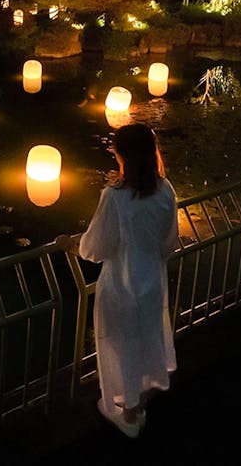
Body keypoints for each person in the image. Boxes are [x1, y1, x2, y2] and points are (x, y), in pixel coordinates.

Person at [55, 123, 179, 438]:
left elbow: (97, 247)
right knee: (147, 338)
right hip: (151, 278)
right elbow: (169, 242)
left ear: (120, 155)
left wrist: (73, 244)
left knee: (121, 344)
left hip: (121, 284)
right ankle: (139, 403)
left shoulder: (115, 198)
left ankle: (129, 413)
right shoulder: (166, 190)